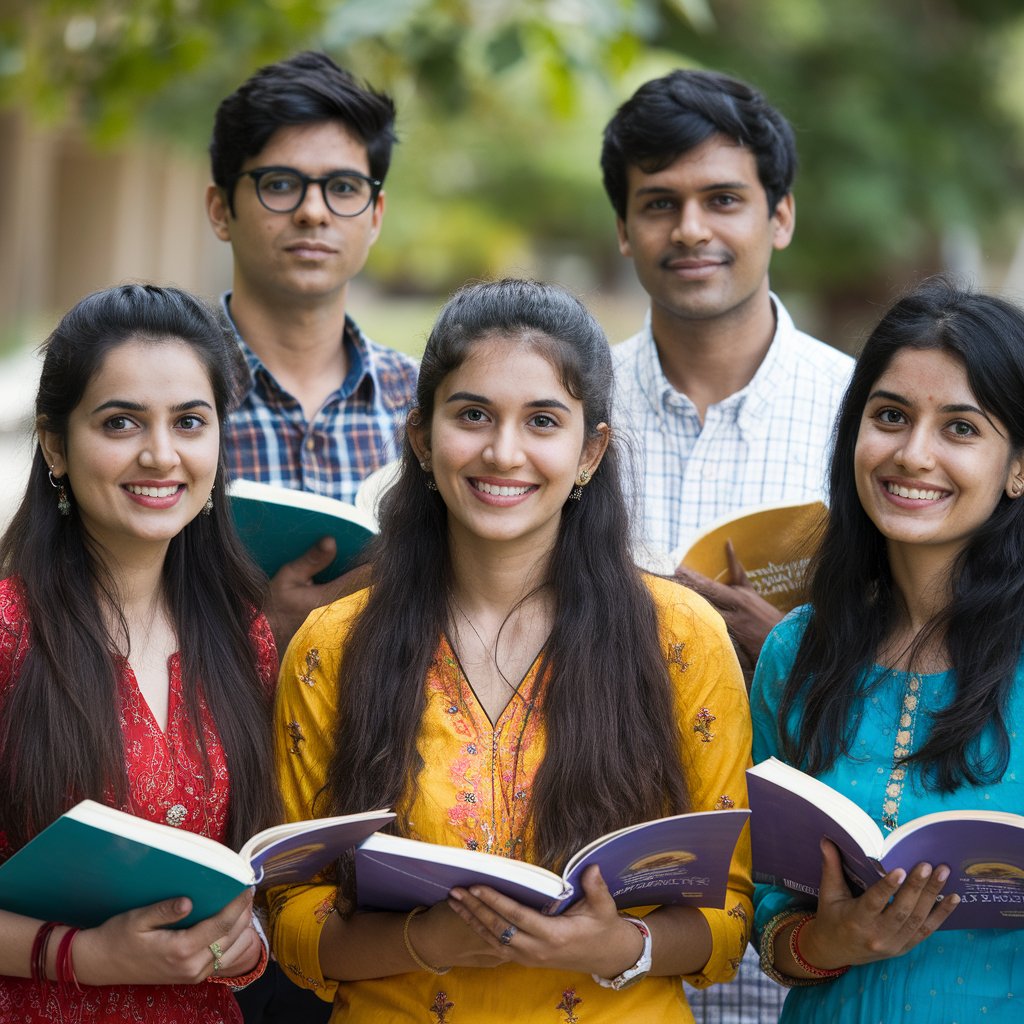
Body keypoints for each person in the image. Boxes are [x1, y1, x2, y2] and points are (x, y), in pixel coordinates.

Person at [267, 279, 753, 1022]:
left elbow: (727, 917)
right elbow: (292, 918)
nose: (503, 452)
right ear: (422, 440)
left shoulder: (679, 637)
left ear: (590, 451)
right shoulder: (333, 646)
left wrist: (615, 946)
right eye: (472, 415)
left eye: (543, 421)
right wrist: (426, 940)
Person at [0, 284, 279, 1022]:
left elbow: (250, 880)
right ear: (56, 444)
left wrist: (241, 941)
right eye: (120, 422)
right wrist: (81, 956)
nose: (161, 455)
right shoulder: (5, 633)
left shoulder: (243, 636)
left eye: (190, 422)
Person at [751, 278, 1024, 1022]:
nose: (912, 454)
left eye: (960, 429)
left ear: (1018, 467)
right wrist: (833, 941)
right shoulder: (796, 651)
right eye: (891, 416)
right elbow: (769, 923)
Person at [601, 69, 854, 678]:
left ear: (781, 217)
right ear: (624, 231)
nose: (691, 229)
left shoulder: (865, 411)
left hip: (788, 765)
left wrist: (788, 655)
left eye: (723, 200)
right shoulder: (570, 404)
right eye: (660, 203)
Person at [206, 51, 418, 651]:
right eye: (280, 185)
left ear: (374, 216)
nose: (313, 212)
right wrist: (261, 637)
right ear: (221, 210)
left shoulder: (430, 404)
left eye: (343, 188)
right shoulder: (166, 399)